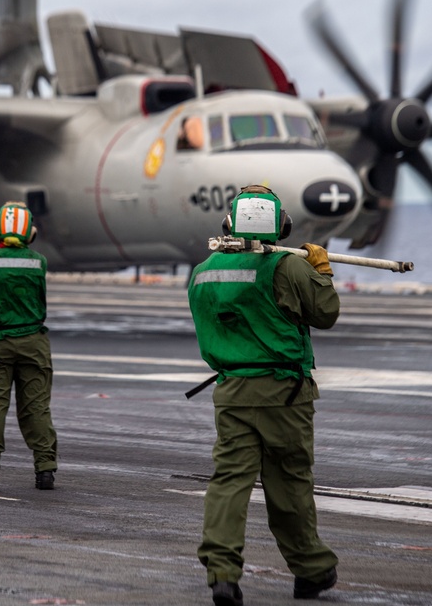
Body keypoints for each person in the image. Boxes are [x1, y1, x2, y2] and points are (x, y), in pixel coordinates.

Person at [187, 185, 339, 606]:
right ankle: (311, 570)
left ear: (229, 224)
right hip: (284, 394)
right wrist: (321, 272)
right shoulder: (287, 268)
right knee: (289, 482)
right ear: (281, 226)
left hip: (232, 390)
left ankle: (222, 574)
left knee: (228, 483)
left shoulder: (204, 271)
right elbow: (326, 313)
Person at [0, 201, 59, 492]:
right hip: (33, 343)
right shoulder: (39, 261)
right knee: (37, 408)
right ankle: (45, 470)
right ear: (30, 233)